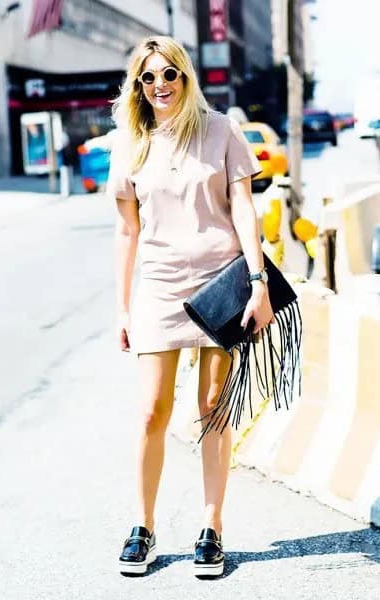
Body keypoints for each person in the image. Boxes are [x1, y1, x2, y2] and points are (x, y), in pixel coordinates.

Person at [108, 35, 274, 578]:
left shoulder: (221, 130)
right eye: (148, 78)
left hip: (220, 282)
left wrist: (258, 281)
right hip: (157, 287)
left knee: (211, 407)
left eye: (169, 75)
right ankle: (143, 526)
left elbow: (244, 209)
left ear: (186, 77)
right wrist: (123, 308)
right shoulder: (130, 143)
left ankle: (212, 526)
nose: (159, 86)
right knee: (152, 410)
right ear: (139, 85)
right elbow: (126, 230)